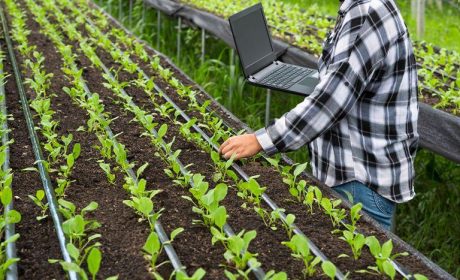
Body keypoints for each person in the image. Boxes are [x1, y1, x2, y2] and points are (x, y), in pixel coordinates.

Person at [219, 0, 419, 231]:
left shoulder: (367, 11)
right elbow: (340, 83)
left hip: (360, 181)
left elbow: (331, 101)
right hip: (355, 176)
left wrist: (261, 140)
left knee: (354, 264)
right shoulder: (357, 7)